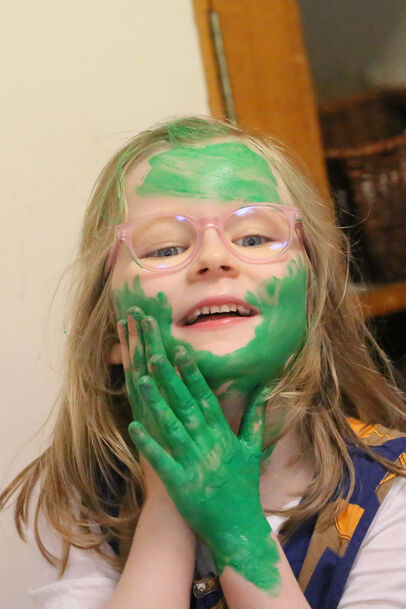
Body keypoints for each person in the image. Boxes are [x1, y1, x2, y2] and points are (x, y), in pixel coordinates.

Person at [1, 116, 406, 609]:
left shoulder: (392, 491)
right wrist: (169, 504)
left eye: (254, 237)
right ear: (110, 332)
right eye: (166, 247)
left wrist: (237, 528)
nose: (214, 257)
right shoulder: (84, 499)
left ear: (313, 301)